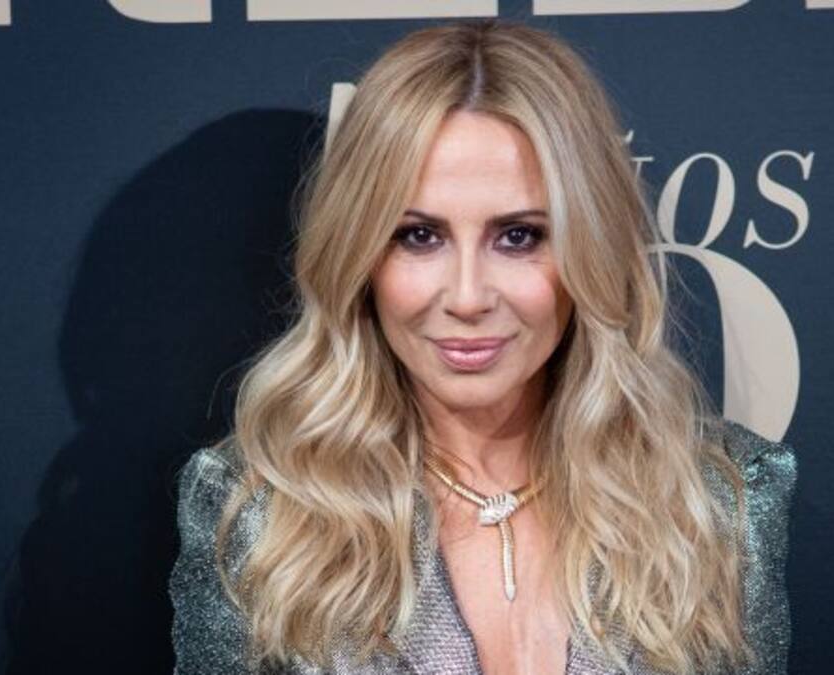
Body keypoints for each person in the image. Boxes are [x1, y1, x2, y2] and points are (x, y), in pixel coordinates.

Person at [169, 18, 796, 675]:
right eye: (418, 236)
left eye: (518, 236)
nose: (467, 297)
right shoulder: (258, 512)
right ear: (359, 254)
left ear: (591, 248)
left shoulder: (719, 499)